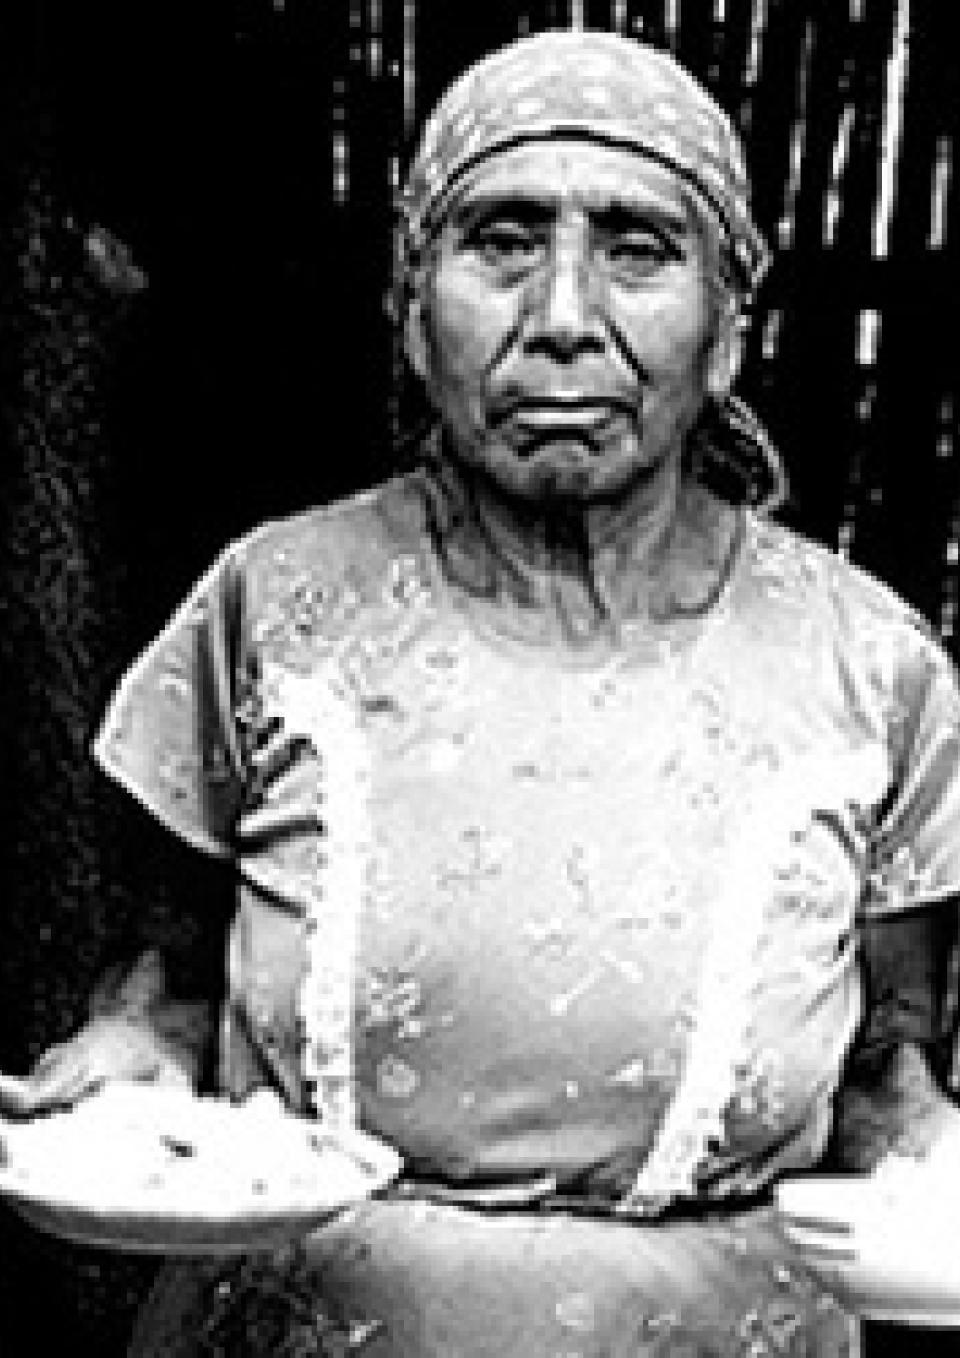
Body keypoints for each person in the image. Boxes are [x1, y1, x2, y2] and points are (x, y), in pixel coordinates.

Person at [5, 29, 960, 1357]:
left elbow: (881, 1064)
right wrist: (129, 1063)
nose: (563, 314)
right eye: (502, 241)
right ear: (411, 307)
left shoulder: (876, 666)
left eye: (638, 249)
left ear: (730, 329)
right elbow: (164, 974)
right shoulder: (271, 606)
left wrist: (930, 1151)